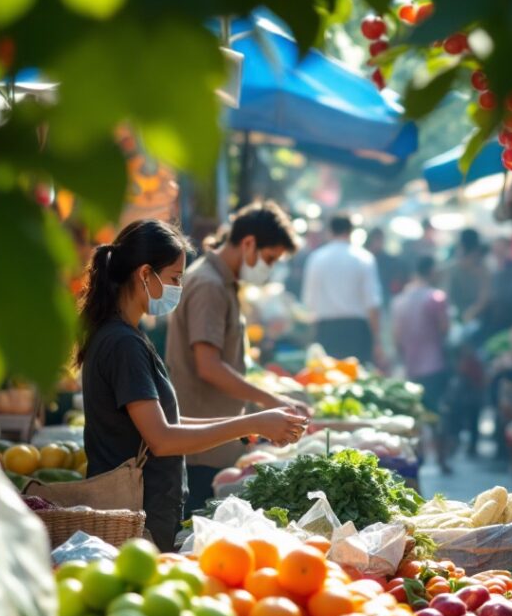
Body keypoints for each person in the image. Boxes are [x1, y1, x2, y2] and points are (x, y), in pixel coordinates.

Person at [77, 219, 308, 550]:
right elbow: (162, 440)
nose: (179, 289)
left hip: (142, 514)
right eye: (174, 279)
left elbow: (162, 424)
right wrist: (255, 419)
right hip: (134, 523)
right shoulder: (122, 343)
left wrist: (244, 426)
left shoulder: (125, 336)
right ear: (145, 274)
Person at [165, 202, 312, 513]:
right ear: (248, 243)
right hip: (202, 449)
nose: (269, 268)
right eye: (269, 258)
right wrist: (271, 401)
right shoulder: (209, 285)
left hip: (216, 442)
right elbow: (209, 366)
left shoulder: (222, 282)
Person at [392, 255, 453, 473]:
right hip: (434, 363)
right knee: (437, 413)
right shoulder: (435, 298)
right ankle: (442, 459)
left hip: (411, 365)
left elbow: (396, 338)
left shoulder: (399, 300)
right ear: (432, 271)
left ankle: (418, 457)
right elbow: (445, 329)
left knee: (415, 413)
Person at [302, 214, 384, 364]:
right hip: (356, 331)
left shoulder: (316, 259)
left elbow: (310, 302)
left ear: (329, 231)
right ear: (351, 231)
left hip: (325, 330)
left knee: (329, 379)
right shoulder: (364, 258)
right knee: (358, 380)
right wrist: (377, 340)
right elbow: (372, 303)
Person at [443, 228, 491, 322]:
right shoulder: (454, 268)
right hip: (467, 317)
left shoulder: (482, 269)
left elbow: (485, 297)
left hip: (477, 318)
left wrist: (471, 313)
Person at [365, 227, 409, 301]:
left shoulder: (389, 261)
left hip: (385, 298)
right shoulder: (363, 258)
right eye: (377, 239)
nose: (380, 242)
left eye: (380, 239)